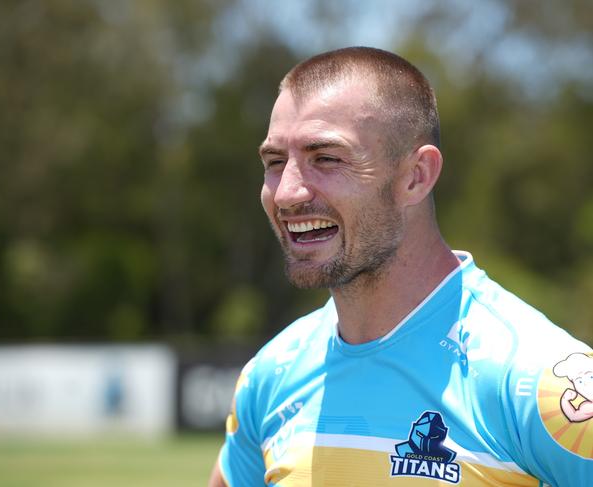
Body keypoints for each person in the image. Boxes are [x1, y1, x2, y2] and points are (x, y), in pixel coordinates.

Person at [208, 47, 593, 486]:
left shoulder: (541, 382)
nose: (286, 193)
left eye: (327, 158)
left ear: (416, 176)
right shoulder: (270, 375)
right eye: (275, 162)